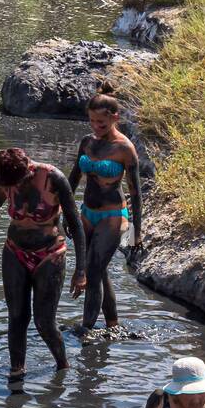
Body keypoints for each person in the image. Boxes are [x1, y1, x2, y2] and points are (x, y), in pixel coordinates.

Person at [0, 148, 87, 379]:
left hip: (50, 254)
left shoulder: (53, 178)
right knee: (17, 316)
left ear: (27, 171)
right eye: (9, 186)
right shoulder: (4, 181)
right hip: (15, 251)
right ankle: (16, 373)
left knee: (44, 322)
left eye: (18, 183)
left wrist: (81, 270)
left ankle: (63, 367)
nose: (15, 190)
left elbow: (75, 222)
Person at [67, 83, 142, 334]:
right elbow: (74, 178)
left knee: (92, 270)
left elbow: (135, 192)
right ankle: (112, 323)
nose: (96, 127)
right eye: (91, 121)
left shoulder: (125, 149)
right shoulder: (87, 142)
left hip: (112, 215)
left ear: (114, 118)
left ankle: (86, 329)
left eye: (101, 122)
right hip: (87, 212)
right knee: (99, 271)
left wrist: (136, 232)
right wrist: (66, 213)